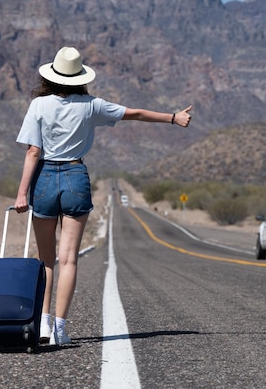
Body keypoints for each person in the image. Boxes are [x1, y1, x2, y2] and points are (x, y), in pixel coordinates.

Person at [14, 46, 192, 346]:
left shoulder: (38, 105)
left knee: (46, 260)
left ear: (52, 76)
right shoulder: (92, 105)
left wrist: (22, 194)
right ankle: (60, 330)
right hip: (75, 177)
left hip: (43, 180)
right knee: (69, 259)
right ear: (79, 77)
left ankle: (42, 326)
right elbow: (134, 114)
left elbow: (33, 151)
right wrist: (173, 117)